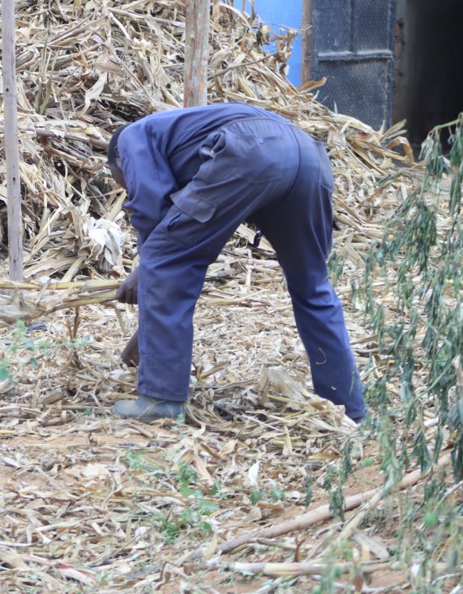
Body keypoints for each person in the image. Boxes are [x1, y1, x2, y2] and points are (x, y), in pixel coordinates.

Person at [105, 103, 366, 423]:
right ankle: (348, 407)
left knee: (164, 257)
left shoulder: (131, 138)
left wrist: (146, 271)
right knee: (312, 286)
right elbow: (184, 236)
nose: (126, 187)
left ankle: (160, 399)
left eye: (122, 181)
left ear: (117, 161)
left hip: (251, 152)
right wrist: (149, 330)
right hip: (308, 157)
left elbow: (152, 212)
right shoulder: (182, 136)